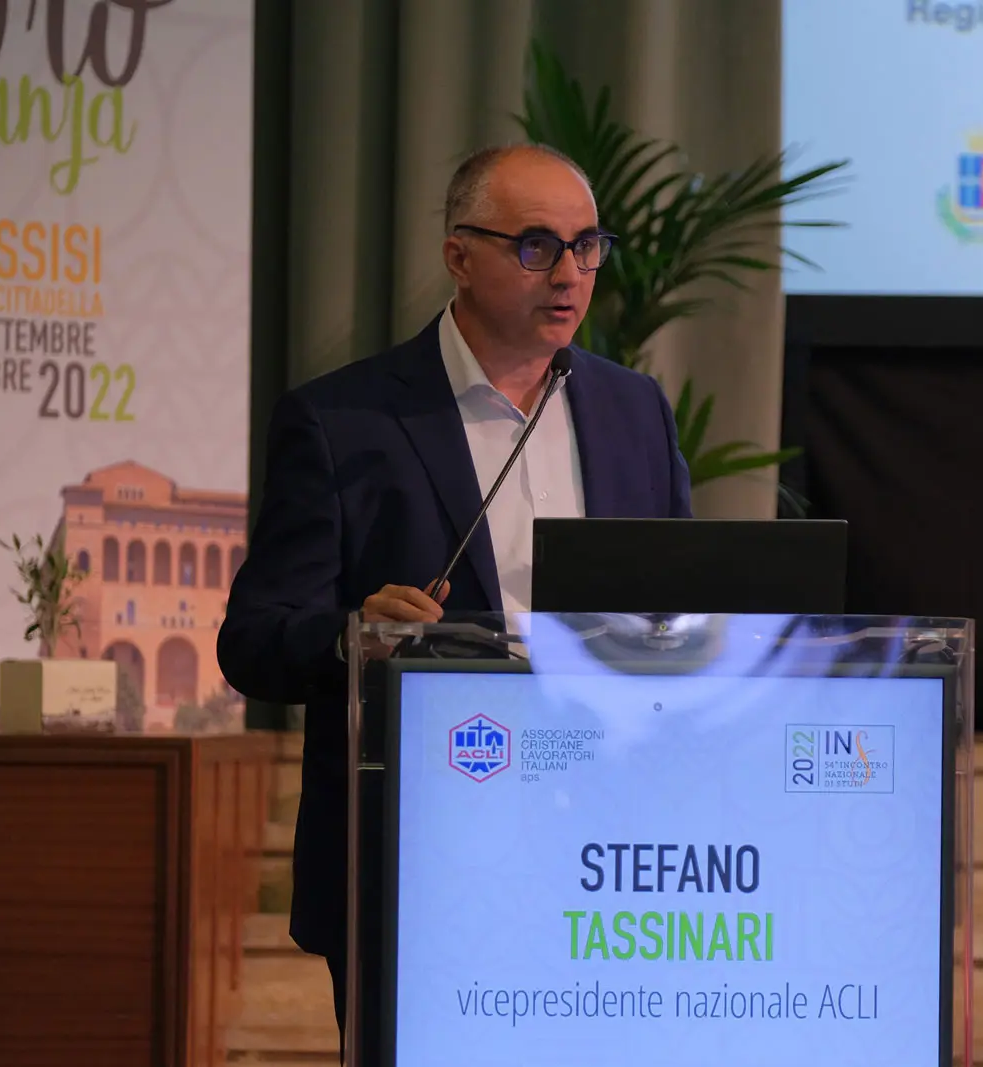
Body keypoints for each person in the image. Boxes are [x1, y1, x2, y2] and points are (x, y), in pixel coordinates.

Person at [218, 143, 692, 1055]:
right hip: (418, 851)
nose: (570, 273)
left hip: (605, 851)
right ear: (459, 255)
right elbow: (254, 640)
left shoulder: (635, 411)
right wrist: (355, 635)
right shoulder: (342, 421)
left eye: (588, 246)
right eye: (537, 246)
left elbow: (680, 607)